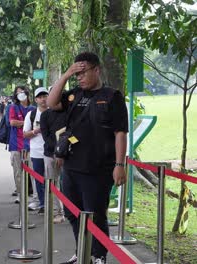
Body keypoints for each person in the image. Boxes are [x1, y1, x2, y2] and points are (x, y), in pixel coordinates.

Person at [47, 52, 128, 264]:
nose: (79, 78)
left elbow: (120, 132)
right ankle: (82, 251)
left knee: (95, 214)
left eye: (83, 73)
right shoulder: (75, 95)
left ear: (97, 70)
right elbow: (51, 102)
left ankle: (99, 255)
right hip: (72, 166)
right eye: (77, 74)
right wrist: (65, 76)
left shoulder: (113, 97)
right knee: (73, 213)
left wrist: (120, 165)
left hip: (99, 168)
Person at [39, 88, 67, 224]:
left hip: (70, 155)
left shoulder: (69, 113)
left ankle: (73, 212)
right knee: (53, 184)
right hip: (50, 154)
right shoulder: (45, 115)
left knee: (69, 185)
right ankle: (58, 212)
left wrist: (63, 152)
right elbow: (46, 137)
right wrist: (57, 152)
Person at [22, 87, 49, 213]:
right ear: (36, 100)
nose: (43, 99)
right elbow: (25, 134)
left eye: (45, 96)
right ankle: (43, 204)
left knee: (52, 180)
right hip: (37, 152)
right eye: (40, 97)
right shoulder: (31, 115)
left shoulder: (54, 112)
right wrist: (35, 131)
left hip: (53, 152)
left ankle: (54, 206)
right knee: (39, 180)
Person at [8, 86, 36, 203]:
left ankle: (36, 196)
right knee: (17, 171)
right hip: (15, 144)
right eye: (18, 93)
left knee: (34, 172)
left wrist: (22, 124)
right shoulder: (13, 107)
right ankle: (20, 194)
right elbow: (12, 122)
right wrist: (27, 123)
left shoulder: (33, 109)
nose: (20, 94)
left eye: (22, 92)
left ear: (27, 94)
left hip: (31, 144)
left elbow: (37, 124)